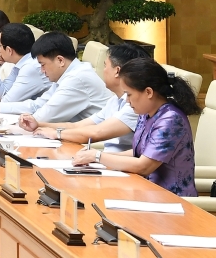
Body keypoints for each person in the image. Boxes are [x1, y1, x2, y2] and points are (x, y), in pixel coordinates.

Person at [71, 57, 200, 196]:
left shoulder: (171, 119)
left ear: (148, 92)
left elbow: (143, 166)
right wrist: (94, 156)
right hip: (144, 190)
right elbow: (140, 152)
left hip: (171, 199)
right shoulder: (146, 113)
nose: (127, 101)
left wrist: (98, 156)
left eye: (129, 94)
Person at [24, 42, 147, 150]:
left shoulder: (135, 105)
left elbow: (97, 132)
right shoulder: (114, 100)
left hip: (118, 163)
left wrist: (56, 134)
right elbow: (77, 126)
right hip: (107, 158)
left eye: (105, 65)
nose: (102, 70)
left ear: (117, 71)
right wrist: (39, 125)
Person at [0, 31, 107, 122]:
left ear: (60, 60)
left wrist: (10, 121)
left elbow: (44, 116)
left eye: (43, 65)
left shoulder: (76, 79)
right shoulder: (67, 74)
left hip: (94, 144)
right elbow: (37, 105)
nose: (42, 71)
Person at [0, 23, 48, 103]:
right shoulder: (21, 64)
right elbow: (1, 94)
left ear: (9, 50)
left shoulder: (31, 67)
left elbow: (5, 101)